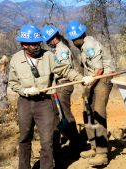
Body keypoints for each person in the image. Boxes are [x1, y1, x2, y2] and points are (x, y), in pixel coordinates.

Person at [8, 24, 94, 169]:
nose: (37, 46)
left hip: (44, 102)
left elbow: (64, 70)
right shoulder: (15, 59)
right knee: (24, 138)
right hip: (25, 103)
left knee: (47, 140)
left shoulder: (48, 56)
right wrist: (25, 91)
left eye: (38, 43)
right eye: (32, 44)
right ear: (23, 45)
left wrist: (82, 78)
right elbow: (13, 83)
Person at [65, 20, 115, 166]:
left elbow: (98, 70)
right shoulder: (83, 46)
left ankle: (102, 153)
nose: (74, 42)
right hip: (93, 80)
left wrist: (88, 86)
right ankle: (94, 146)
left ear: (82, 35)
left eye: (75, 39)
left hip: (102, 79)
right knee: (88, 113)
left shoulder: (89, 45)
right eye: (72, 39)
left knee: (98, 113)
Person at [41, 24, 83, 156]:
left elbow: (64, 69)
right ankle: (72, 139)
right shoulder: (57, 50)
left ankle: (76, 144)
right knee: (61, 114)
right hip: (59, 84)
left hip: (64, 84)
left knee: (66, 114)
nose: (48, 44)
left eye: (49, 41)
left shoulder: (62, 50)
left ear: (54, 38)